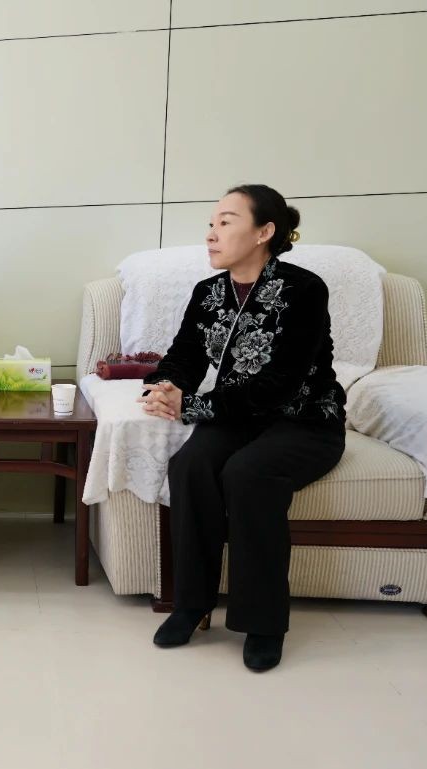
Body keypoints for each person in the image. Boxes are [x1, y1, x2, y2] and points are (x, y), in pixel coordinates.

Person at [141, 185, 346, 672]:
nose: (211, 234)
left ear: (264, 232)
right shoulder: (208, 292)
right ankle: (191, 605)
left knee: (248, 473)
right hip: (237, 417)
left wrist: (193, 406)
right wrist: (165, 386)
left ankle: (264, 623)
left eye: (226, 222)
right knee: (190, 464)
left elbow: (280, 385)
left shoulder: (304, 290)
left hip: (305, 421)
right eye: (211, 224)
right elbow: (185, 356)